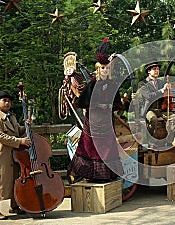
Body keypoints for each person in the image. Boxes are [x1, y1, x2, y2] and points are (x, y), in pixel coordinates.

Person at [68, 38, 124, 182]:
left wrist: (111, 107)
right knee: (91, 148)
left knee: (108, 148)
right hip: (93, 123)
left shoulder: (112, 84)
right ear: (98, 69)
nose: (105, 70)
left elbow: (117, 103)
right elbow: (83, 102)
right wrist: (99, 106)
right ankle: (90, 174)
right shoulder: (92, 84)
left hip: (107, 123)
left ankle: (107, 175)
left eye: (106, 68)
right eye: (102, 68)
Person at [0, 91, 31, 220]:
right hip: (1, 155)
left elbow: (17, 130)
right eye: (4, 100)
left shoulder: (11, 116)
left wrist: (26, 126)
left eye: (9, 101)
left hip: (14, 154)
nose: (7, 103)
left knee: (14, 179)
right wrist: (20, 141)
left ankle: (14, 206)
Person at [135, 62, 175, 147]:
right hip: (149, 109)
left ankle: (169, 141)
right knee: (153, 119)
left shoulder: (161, 82)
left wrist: (167, 89)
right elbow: (149, 96)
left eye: (157, 69)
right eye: (154, 69)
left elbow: (165, 96)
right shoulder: (142, 84)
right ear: (149, 71)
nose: (156, 71)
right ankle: (151, 141)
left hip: (161, 110)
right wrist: (162, 90)